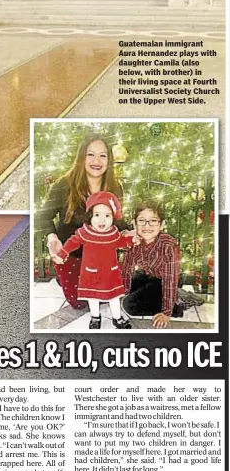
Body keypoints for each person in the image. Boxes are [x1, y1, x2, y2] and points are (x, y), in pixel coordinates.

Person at [37, 135, 125, 309]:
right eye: (91, 154)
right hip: (73, 255)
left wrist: (129, 232)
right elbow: (42, 216)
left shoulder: (115, 187)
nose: (97, 161)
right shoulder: (63, 185)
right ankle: (65, 278)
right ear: (82, 157)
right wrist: (52, 238)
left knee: (107, 296)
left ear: (109, 160)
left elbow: (118, 222)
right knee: (81, 303)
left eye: (103, 155)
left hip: (103, 256)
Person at [54, 192, 136, 329]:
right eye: (97, 215)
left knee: (114, 297)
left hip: (110, 273)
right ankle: (95, 317)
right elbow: (72, 242)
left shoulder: (113, 233)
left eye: (107, 215)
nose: (102, 220)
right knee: (93, 297)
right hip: (91, 273)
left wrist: (131, 240)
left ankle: (117, 317)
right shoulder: (85, 233)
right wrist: (63, 253)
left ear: (113, 218)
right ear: (89, 216)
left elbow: (121, 242)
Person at [121, 201, 184, 329]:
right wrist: (122, 293)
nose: (147, 226)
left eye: (153, 221)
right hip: (150, 276)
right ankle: (170, 296)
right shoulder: (134, 241)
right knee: (134, 282)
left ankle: (176, 305)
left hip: (166, 280)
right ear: (134, 224)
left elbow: (169, 279)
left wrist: (166, 312)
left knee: (129, 306)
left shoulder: (168, 245)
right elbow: (126, 270)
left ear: (162, 224)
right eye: (142, 221)